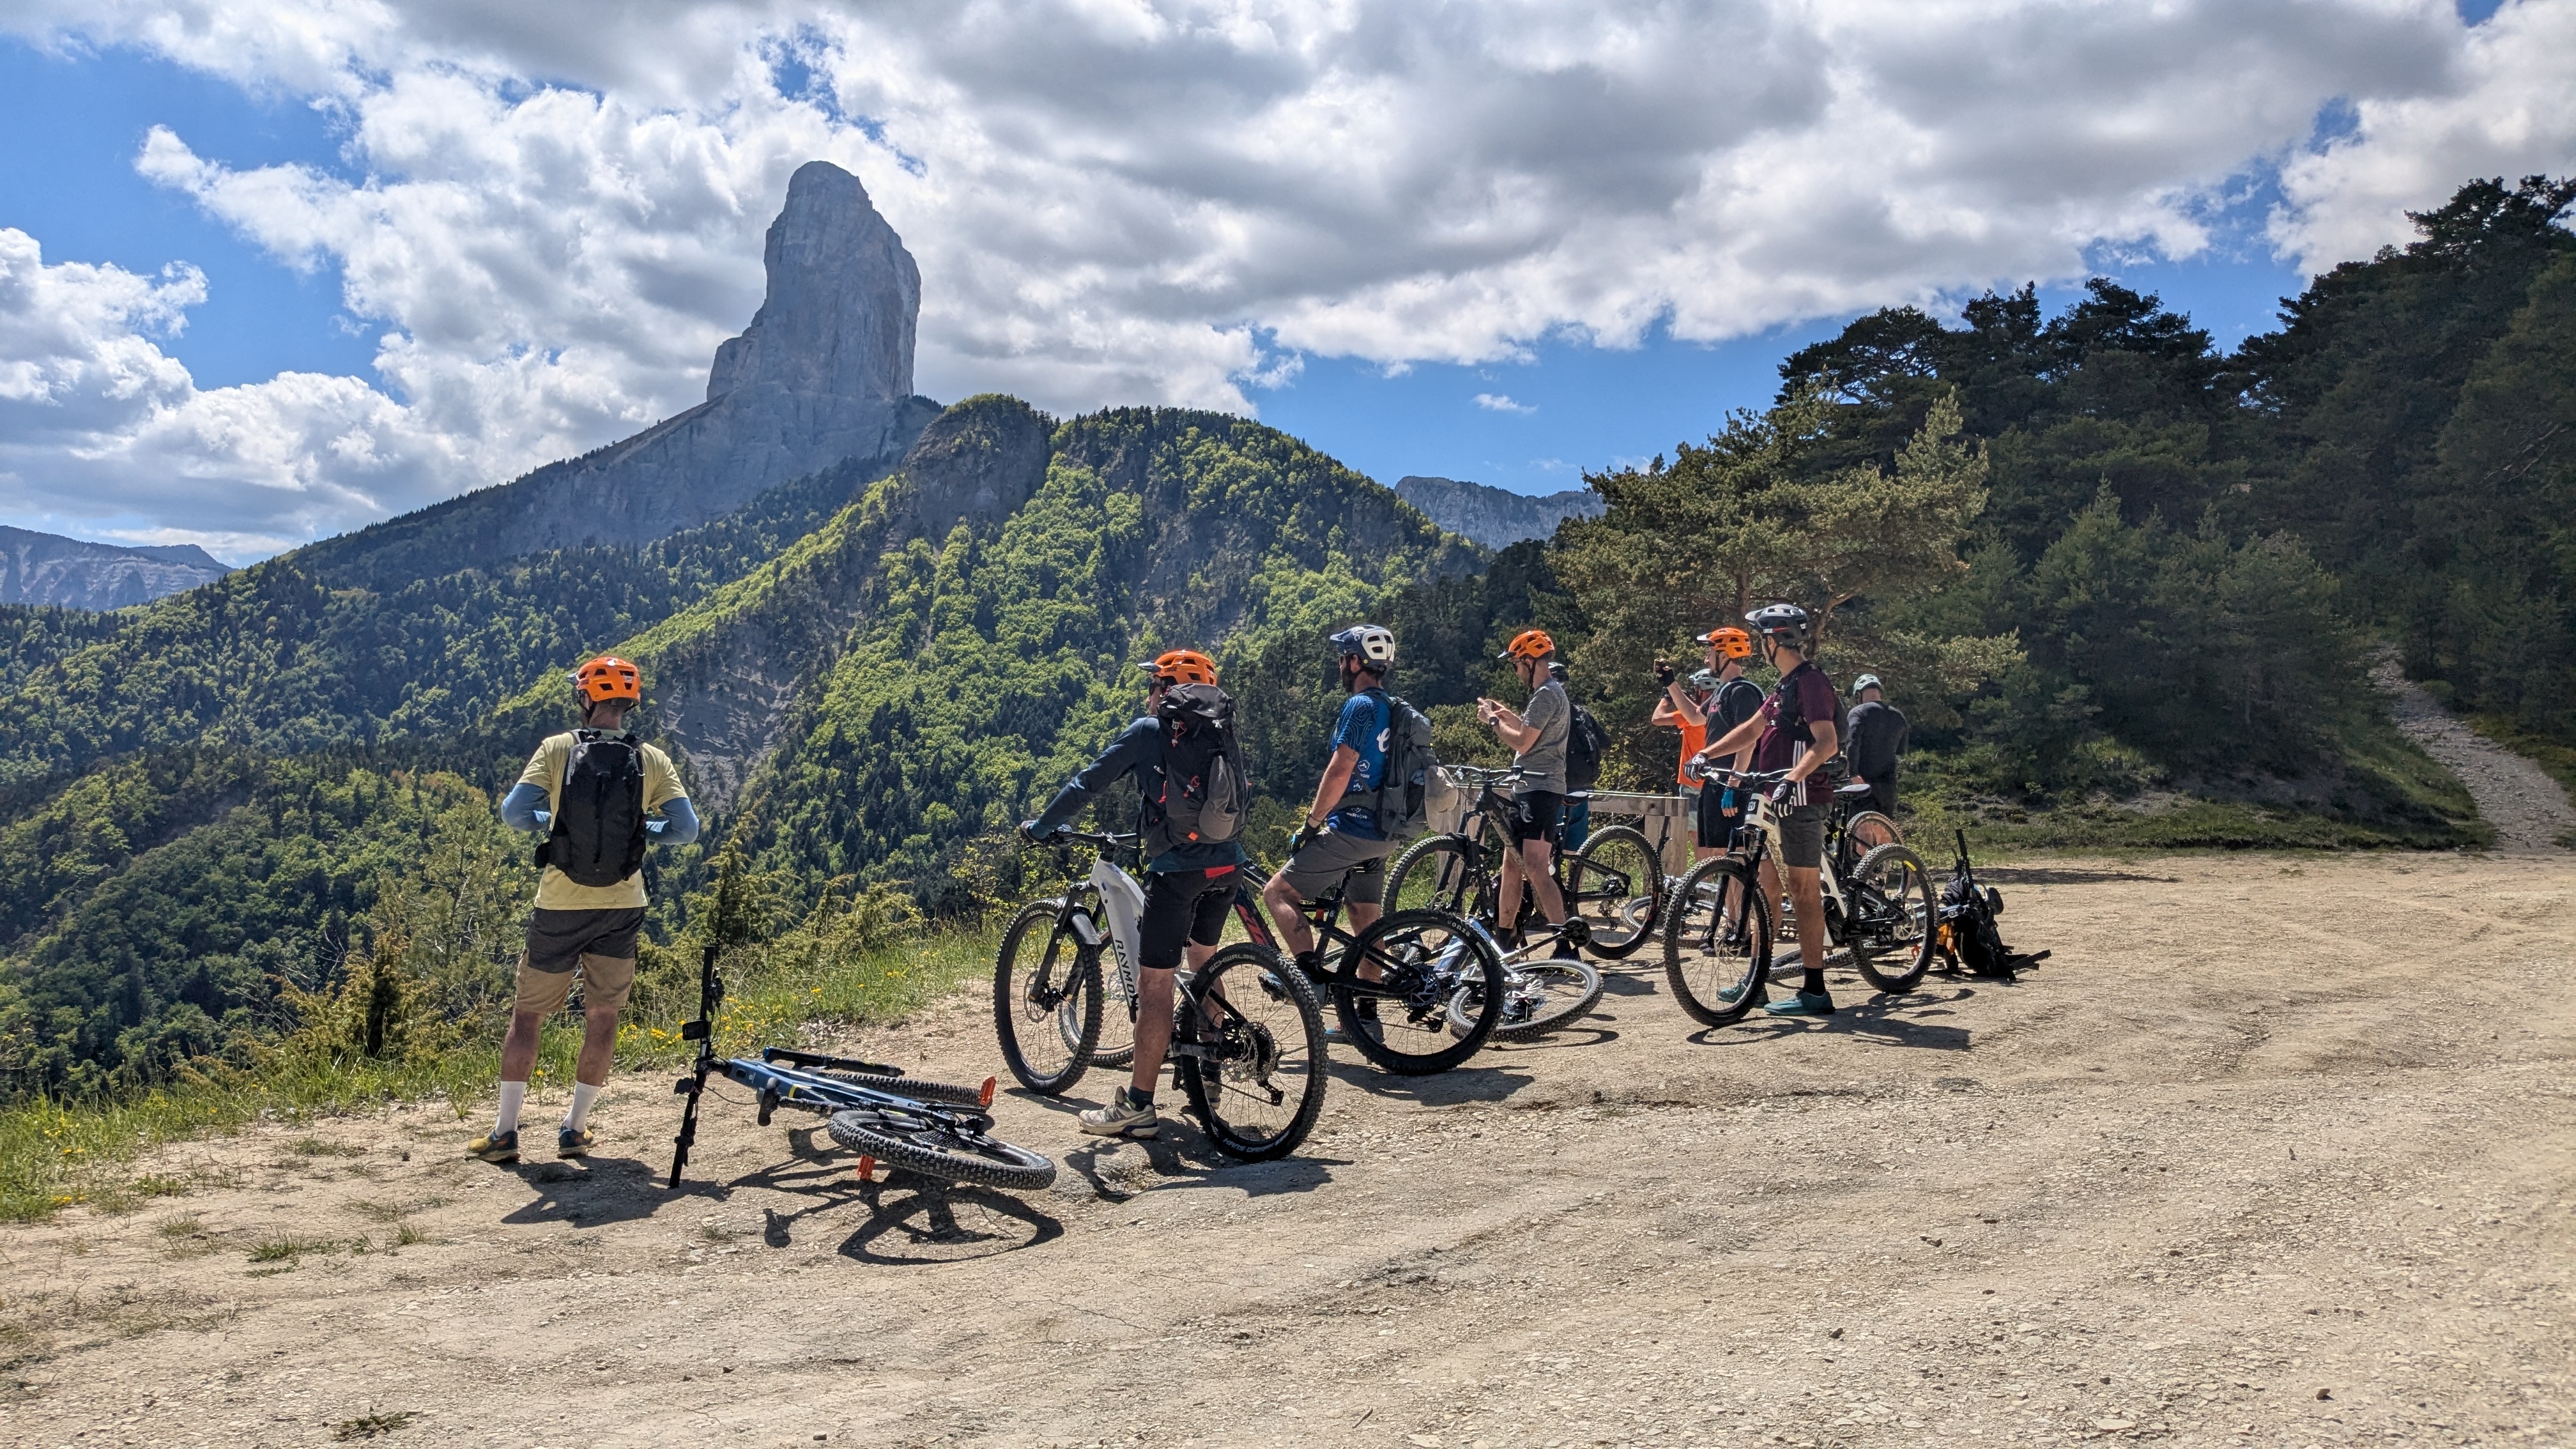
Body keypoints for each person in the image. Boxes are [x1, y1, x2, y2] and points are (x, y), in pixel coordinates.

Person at [470, 655, 700, 1163]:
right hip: (622, 905)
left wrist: (551, 823)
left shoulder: (557, 749)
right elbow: (687, 831)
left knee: (528, 1016)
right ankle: (575, 1130)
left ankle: (505, 1134)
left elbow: (512, 815)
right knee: (602, 1017)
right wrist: (644, 829)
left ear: (585, 698)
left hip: (559, 902)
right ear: (630, 703)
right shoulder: (653, 760)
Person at [1022, 649, 1243, 1140]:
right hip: (1229, 863)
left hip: (1178, 871)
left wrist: (1043, 826)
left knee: (1156, 984)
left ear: (1166, 690)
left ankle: (1139, 1106)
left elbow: (1088, 782)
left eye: (1152, 687)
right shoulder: (1220, 729)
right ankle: (1209, 1073)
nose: (1147, 696)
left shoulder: (1149, 732)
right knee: (1204, 959)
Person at [1694, 605, 1841, 1017]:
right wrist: (1709, 753)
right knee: (1767, 889)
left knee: (1803, 892)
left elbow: (1826, 742)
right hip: (1776, 798)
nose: (1762, 645)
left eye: (1763, 637)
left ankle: (1815, 991)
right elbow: (1752, 729)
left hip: (1803, 798)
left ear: (1773, 640)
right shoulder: (1782, 687)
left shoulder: (1811, 683)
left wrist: (1793, 778)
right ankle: (1757, 981)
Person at [1264, 625, 1400, 1038]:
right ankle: (1366, 1017)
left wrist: (1311, 823)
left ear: (1357, 662)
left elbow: (1341, 768)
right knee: (1366, 921)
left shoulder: (1360, 706)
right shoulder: (1393, 707)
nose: (1340, 666)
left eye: (1343, 658)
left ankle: (1310, 979)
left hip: (1353, 829)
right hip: (1385, 831)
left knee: (1277, 893)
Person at [1477, 629, 1571, 946]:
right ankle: (1504, 939)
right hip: (1529, 786)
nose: (1516, 671)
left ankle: (1564, 945)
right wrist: (1506, 715)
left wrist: (1493, 721)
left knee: (1535, 867)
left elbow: (1522, 742)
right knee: (1513, 864)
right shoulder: (1548, 693)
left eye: (1517, 665)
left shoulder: (1546, 694)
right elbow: (1533, 731)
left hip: (1541, 789)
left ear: (1530, 662)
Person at [1655, 627, 1763, 861]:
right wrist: (1671, 684)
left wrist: (1734, 786)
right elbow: (1695, 717)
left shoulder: (1743, 691)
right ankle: (1726, 901)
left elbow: (1748, 741)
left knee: (1735, 857)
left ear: (1724, 655)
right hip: (1716, 783)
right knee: (1719, 856)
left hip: (1735, 787)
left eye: (1710, 652)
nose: (1706, 659)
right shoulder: (1722, 692)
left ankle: (1737, 900)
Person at [1844, 673, 1910, 829]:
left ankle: (1859, 854)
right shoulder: (1899, 716)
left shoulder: (1858, 712)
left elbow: (1852, 743)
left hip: (1862, 782)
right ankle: (1885, 853)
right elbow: (1901, 750)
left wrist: (1852, 773)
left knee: (1858, 829)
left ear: (1859, 695)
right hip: (1888, 784)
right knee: (1884, 828)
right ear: (1879, 692)